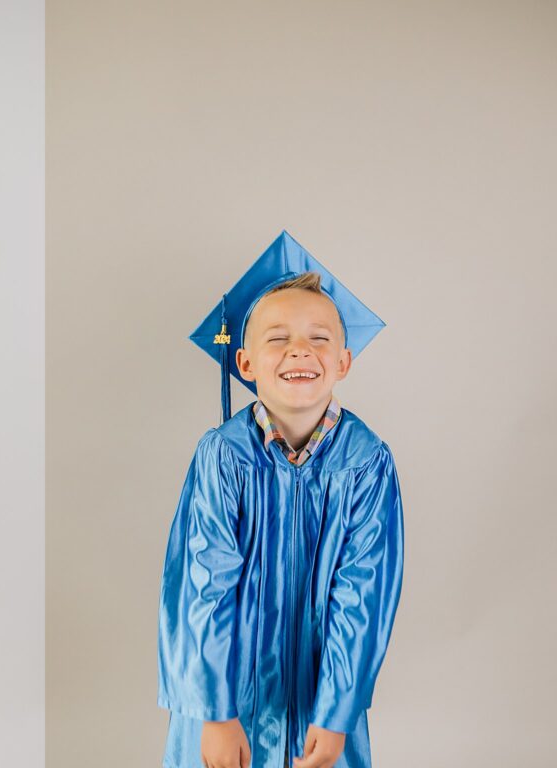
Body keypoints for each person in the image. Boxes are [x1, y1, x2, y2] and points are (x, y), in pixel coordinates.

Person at [157, 231, 404, 768]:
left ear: (344, 362)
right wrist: (215, 712)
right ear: (244, 364)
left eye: (319, 339)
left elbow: (363, 597)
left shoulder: (365, 462)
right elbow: (201, 586)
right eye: (278, 338)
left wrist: (338, 713)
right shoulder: (223, 456)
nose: (300, 349)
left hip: (320, 697)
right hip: (229, 697)